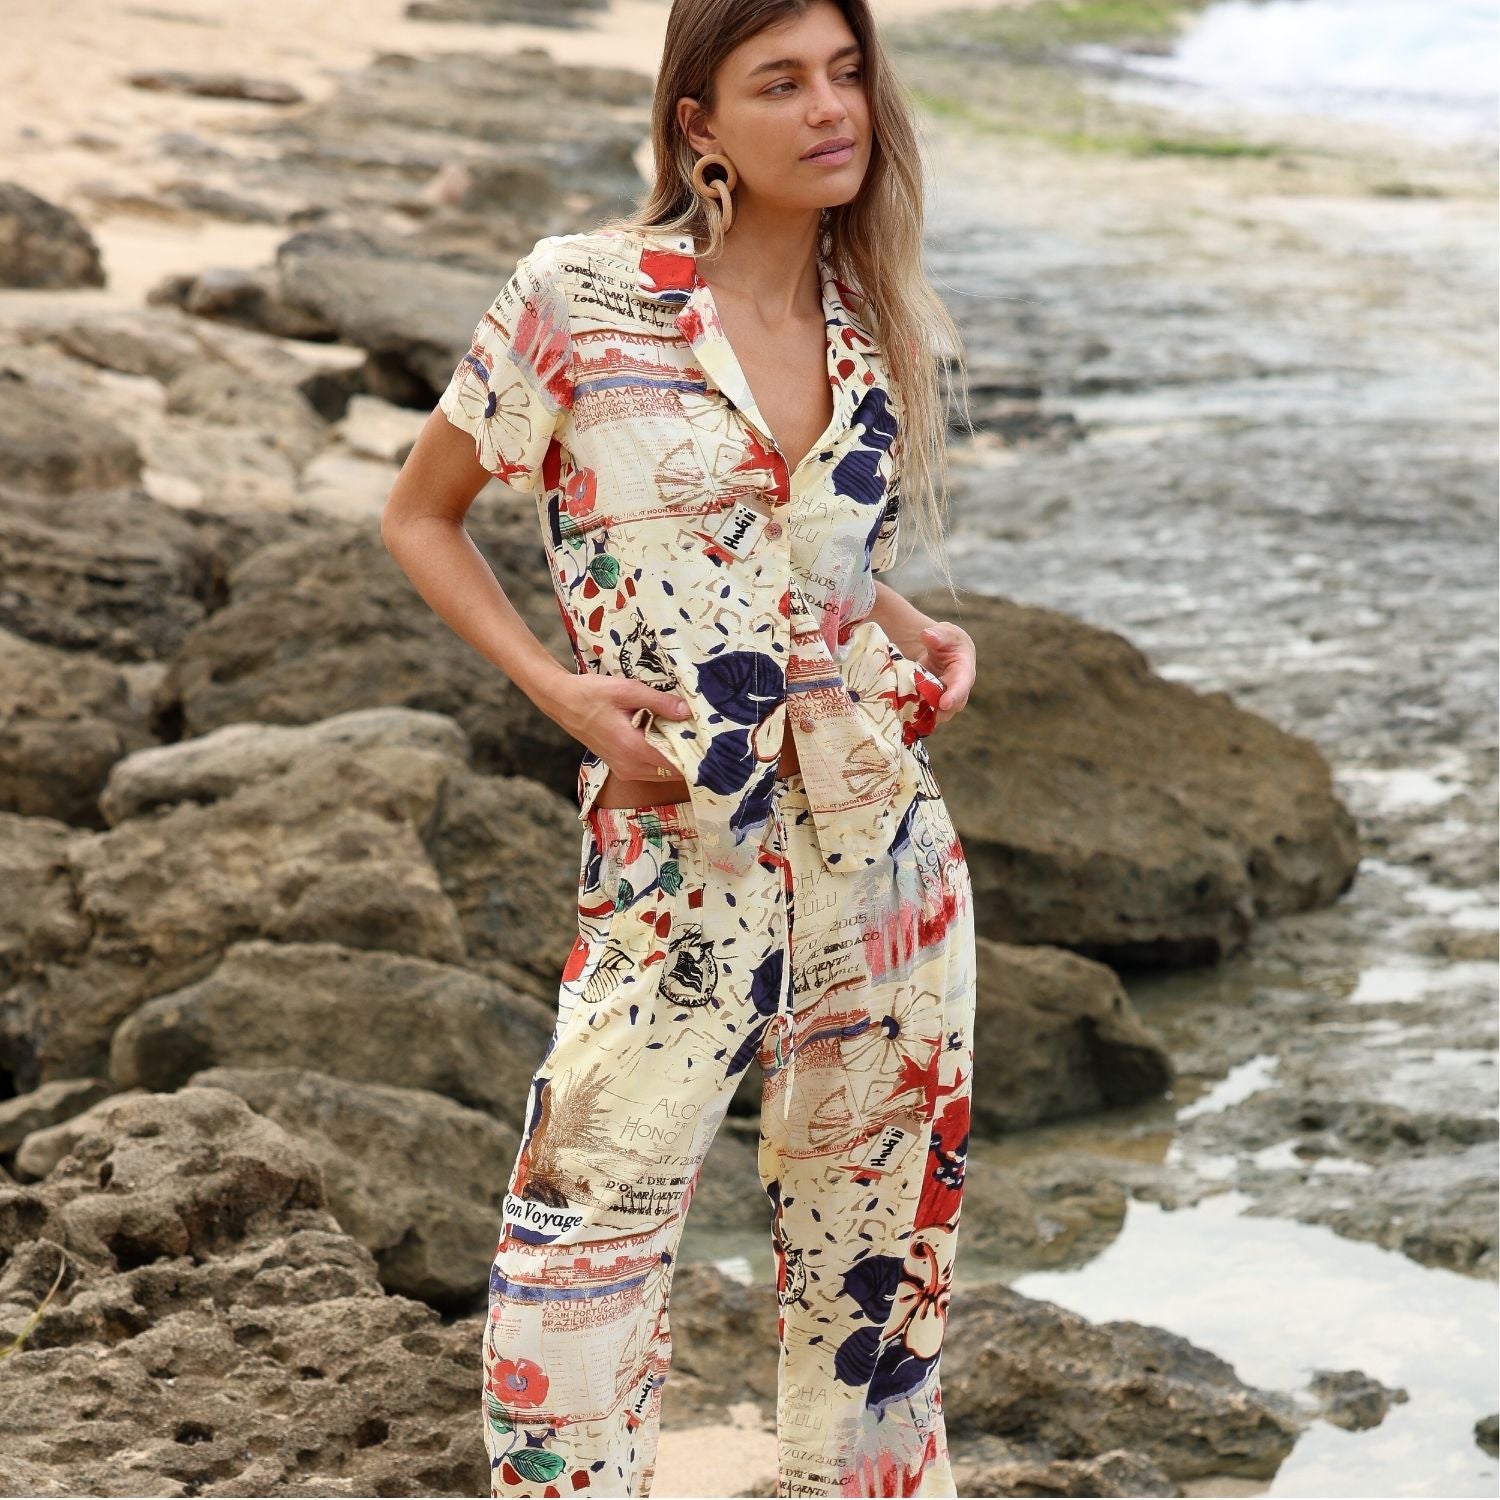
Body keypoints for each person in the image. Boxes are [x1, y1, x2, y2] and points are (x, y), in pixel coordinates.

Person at [381, 1, 977, 1493]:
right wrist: (555, 688)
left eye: (847, 73)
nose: (830, 108)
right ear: (698, 123)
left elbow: (803, 555)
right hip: (678, 850)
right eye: (781, 82)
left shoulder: (874, 325)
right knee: (582, 1245)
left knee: (877, 1281)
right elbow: (420, 515)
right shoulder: (578, 297)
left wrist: (909, 627)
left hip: (883, 851)